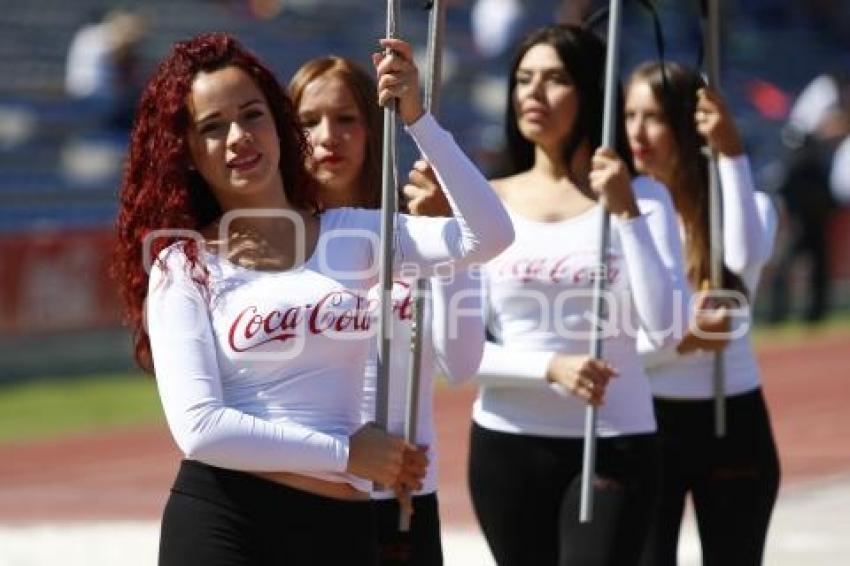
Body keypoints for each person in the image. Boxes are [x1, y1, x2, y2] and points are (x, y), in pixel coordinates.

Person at [112, 32, 513, 565]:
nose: (238, 137)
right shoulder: (181, 264)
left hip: (340, 529)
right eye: (212, 127)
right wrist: (346, 452)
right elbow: (201, 429)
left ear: (278, 121)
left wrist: (418, 119)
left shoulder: (355, 235)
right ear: (185, 153)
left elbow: (486, 236)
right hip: (226, 522)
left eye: (252, 114)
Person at [468, 24, 687, 565]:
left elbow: (667, 328)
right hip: (507, 446)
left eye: (555, 79)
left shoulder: (645, 198)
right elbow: (460, 355)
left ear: (590, 92)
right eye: (523, 79)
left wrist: (628, 214)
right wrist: (550, 365)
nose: (533, 94)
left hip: (613, 442)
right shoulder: (486, 202)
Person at [289, 53, 484, 565]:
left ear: (374, 127)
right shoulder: (276, 240)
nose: (328, 135)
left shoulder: (413, 228)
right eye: (309, 122)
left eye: (346, 118)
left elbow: (461, 364)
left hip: (405, 500)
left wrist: (445, 241)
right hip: (306, 495)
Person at [625, 60, 781, 565]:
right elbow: (615, 344)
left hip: (731, 417)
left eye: (654, 117)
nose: (637, 132)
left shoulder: (748, 206)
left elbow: (742, 259)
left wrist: (732, 154)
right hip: (646, 421)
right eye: (629, 115)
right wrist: (681, 340)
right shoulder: (622, 217)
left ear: (688, 124)